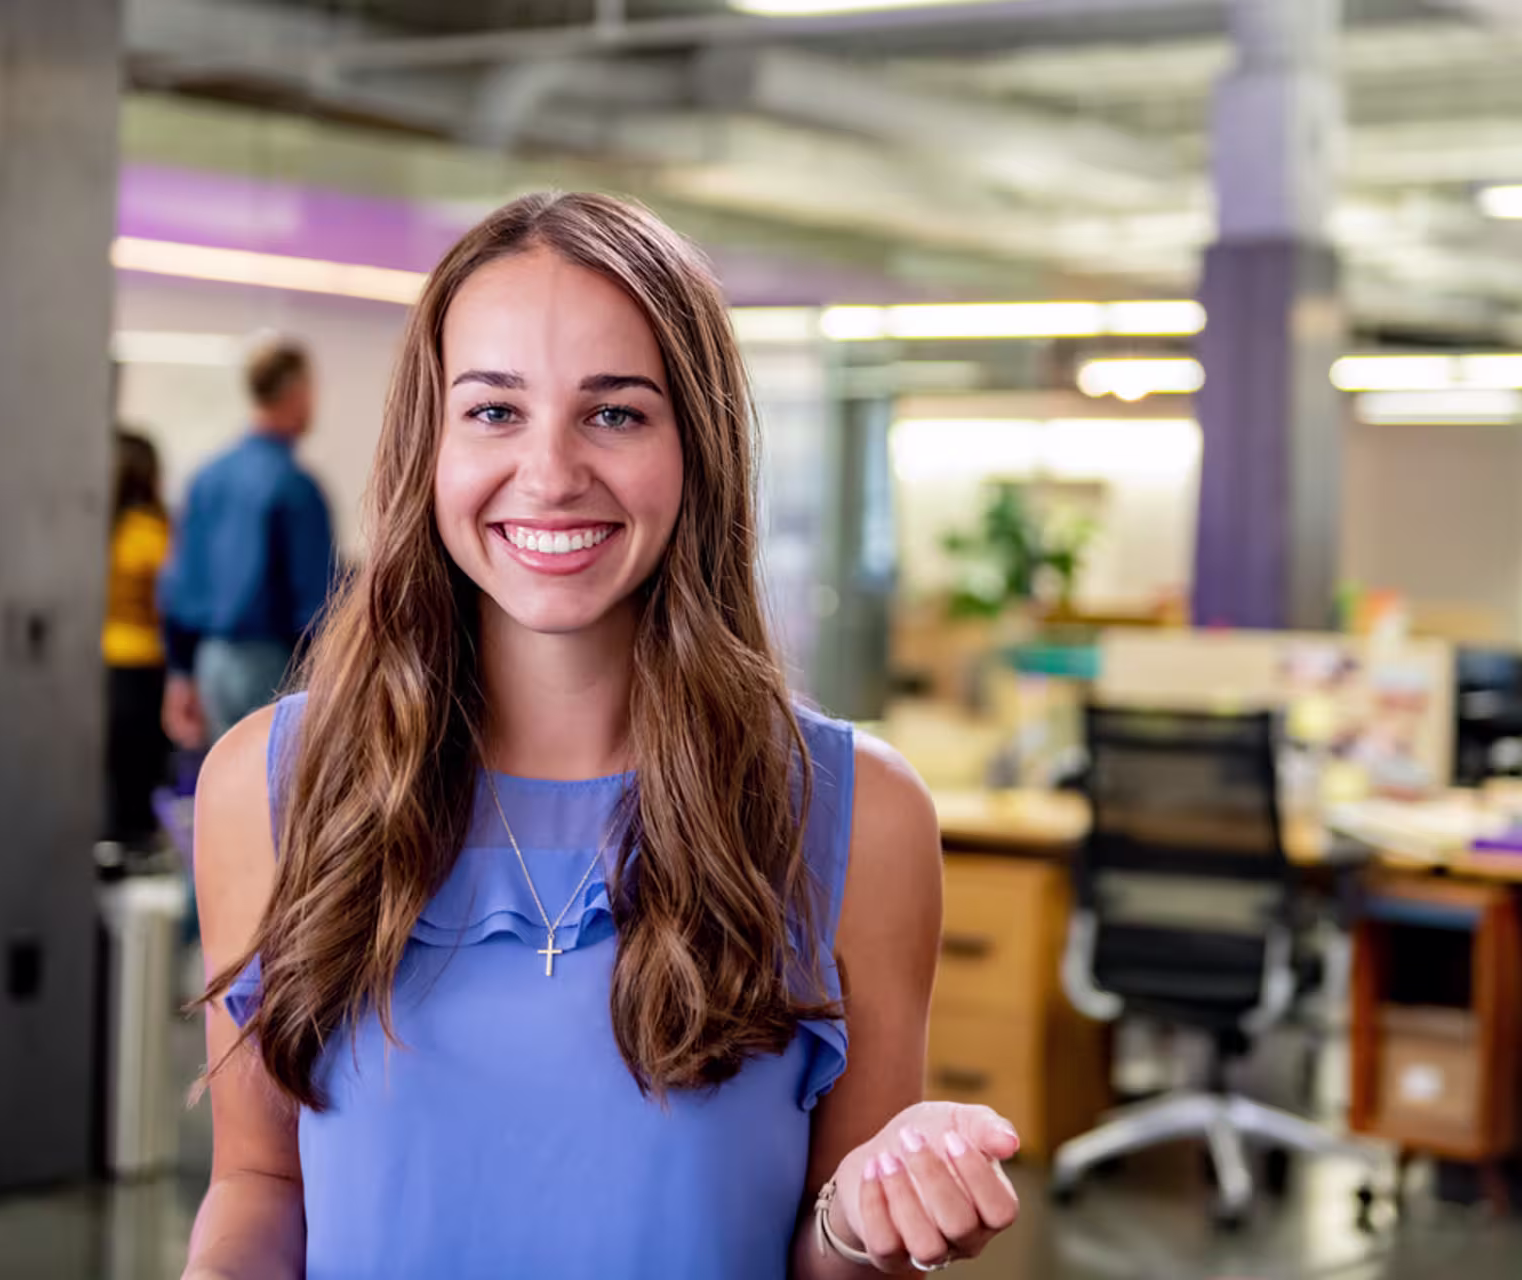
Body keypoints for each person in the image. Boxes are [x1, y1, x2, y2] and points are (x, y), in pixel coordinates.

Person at [185, 192, 1021, 1279]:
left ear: (698, 445)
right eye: (493, 411)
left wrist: (868, 1217)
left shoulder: (857, 813)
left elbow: (832, 1255)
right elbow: (261, 1182)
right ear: (427, 442)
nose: (549, 472)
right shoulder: (270, 784)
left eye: (615, 412)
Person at [160, 337, 335, 749]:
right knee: (278, 794)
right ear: (295, 392)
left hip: (211, 661)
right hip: (271, 664)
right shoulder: (294, 487)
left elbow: (179, 583)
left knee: (226, 790)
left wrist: (180, 671)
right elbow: (317, 602)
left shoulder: (207, 478)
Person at [102, 428, 173, 847]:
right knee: (141, 775)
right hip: (145, 666)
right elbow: (174, 601)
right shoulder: (151, 535)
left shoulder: (103, 531)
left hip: (104, 660)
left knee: (113, 774)